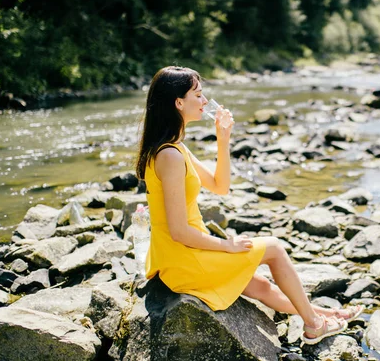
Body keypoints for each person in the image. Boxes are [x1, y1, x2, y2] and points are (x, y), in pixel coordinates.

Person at [135, 66, 363, 345]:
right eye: (198, 94)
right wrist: (226, 245)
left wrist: (223, 138)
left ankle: (327, 313)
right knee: (275, 249)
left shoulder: (175, 147)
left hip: (185, 252)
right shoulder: (169, 155)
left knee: (261, 286)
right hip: (183, 257)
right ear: (178, 102)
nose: (205, 101)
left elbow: (221, 186)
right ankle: (314, 325)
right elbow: (179, 231)